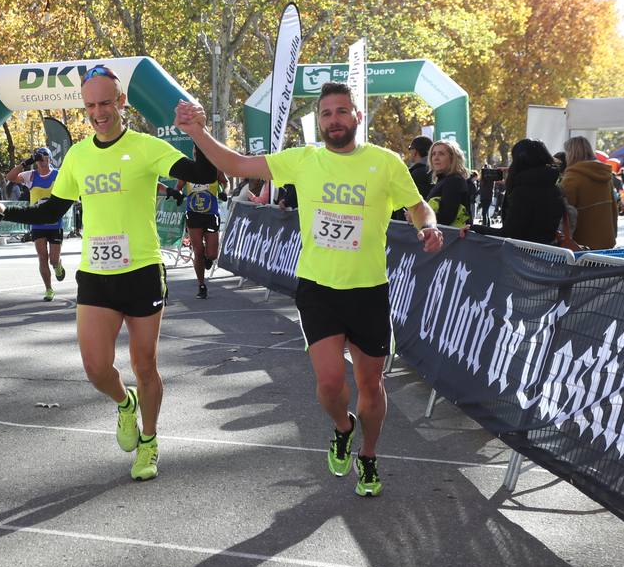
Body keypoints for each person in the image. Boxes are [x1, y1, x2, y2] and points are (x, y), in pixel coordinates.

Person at [176, 82, 443, 499]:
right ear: (319, 122)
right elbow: (238, 163)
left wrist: (427, 227)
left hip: (368, 289)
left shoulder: (386, 162)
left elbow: (417, 204)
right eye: (325, 114)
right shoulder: (303, 160)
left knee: (371, 386)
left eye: (341, 111)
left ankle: (369, 457)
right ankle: (342, 427)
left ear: (357, 116)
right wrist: (196, 132)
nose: (333, 120)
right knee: (330, 382)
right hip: (318, 289)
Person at [0, 65, 217, 482]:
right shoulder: (78, 155)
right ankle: (125, 404)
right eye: (91, 105)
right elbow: (51, 210)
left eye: (105, 103)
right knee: (96, 368)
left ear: (121, 103)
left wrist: (198, 132)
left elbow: (204, 176)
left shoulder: (147, 147)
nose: (98, 112)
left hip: (141, 271)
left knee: (145, 365)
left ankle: (149, 441)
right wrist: (2, 211)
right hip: (96, 274)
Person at [469, 139, 564, 244]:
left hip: (523, 256)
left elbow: (509, 234)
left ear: (519, 161)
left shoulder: (522, 193)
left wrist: (473, 228)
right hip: (547, 253)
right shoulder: (554, 188)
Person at [6, 147, 67, 301]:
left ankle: (58, 265)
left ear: (50, 159)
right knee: (42, 257)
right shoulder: (31, 176)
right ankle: (49, 289)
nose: (42, 159)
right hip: (37, 223)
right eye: (39, 157)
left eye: (45, 156)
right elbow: (10, 176)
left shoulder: (57, 175)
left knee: (53, 259)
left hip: (54, 223)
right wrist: (27, 162)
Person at [173, 173, 226, 299]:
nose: (197, 155)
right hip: (193, 214)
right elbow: (178, 187)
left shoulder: (215, 169)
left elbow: (225, 183)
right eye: (196, 153)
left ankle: (208, 258)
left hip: (211, 214)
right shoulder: (188, 169)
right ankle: (201, 285)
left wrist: (223, 191)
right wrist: (178, 194)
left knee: (212, 254)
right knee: (198, 251)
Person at [561, 137, 618, 249]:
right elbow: (613, 209)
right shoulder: (606, 176)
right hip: (607, 241)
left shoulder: (572, 178)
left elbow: (565, 215)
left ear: (571, 153)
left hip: (581, 246)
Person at [425, 139, 473, 228]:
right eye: (433, 154)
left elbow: (446, 218)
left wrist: (420, 217)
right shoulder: (443, 180)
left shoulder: (454, 181)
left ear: (453, 158)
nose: (436, 158)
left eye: (441, 154)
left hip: (452, 238)